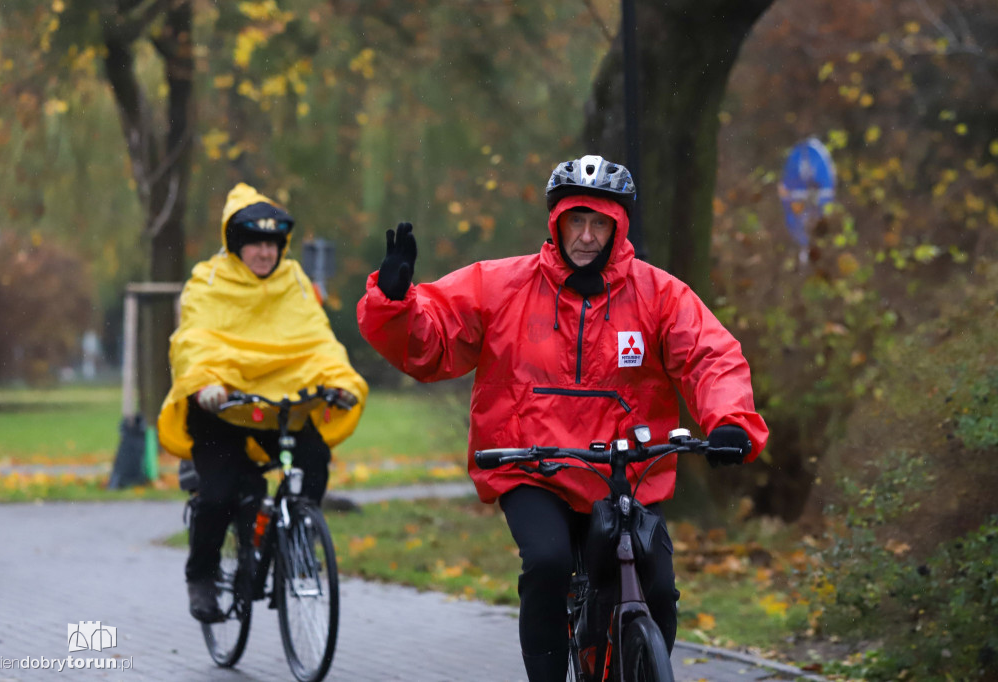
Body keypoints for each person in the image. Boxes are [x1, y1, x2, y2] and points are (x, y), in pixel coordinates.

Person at [356, 155, 769, 681]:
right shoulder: (500, 285)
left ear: (619, 229)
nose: (588, 237)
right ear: (557, 223)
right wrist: (394, 301)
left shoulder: (661, 295)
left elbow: (711, 357)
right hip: (533, 464)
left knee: (658, 586)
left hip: (625, 467)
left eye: (601, 223)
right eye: (578, 221)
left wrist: (730, 420)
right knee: (549, 564)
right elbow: (433, 342)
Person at [158, 183, 369, 623]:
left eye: (272, 243)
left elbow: (317, 341)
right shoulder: (207, 281)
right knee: (219, 496)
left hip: (275, 410)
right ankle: (201, 575)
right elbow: (193, 341)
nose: (264, 252)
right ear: (235, 245)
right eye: (254, 242)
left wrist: (339, 382)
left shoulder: (294, 282)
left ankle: (298, 544)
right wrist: (209, 383)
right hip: (220, 410)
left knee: (314, 460)